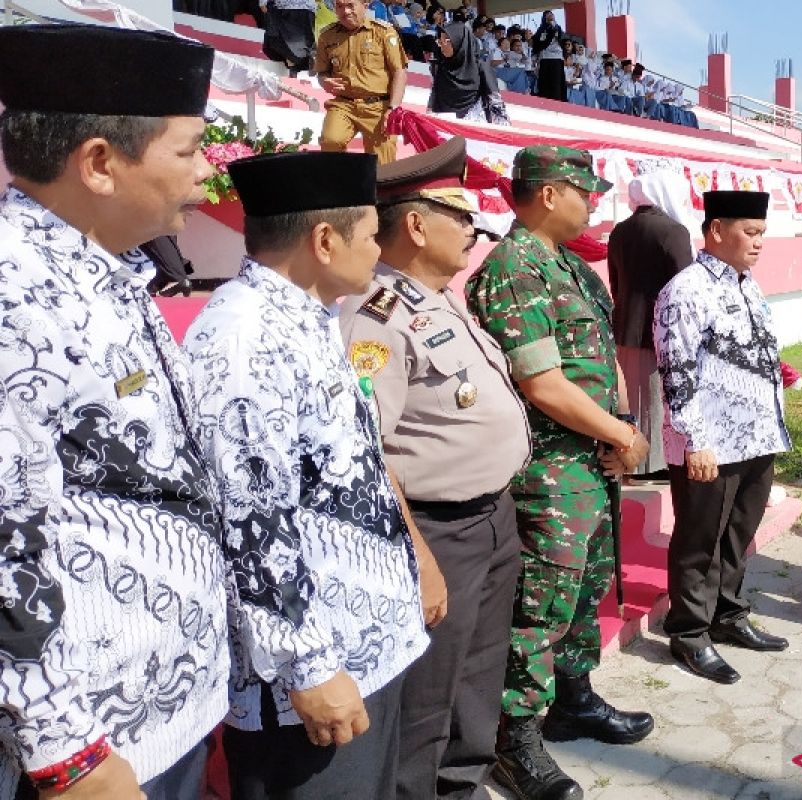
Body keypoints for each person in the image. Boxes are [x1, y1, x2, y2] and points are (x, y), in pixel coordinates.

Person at [0, 25, 230, 799]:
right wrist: (67, 755)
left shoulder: (109, 267)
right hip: (81, 751)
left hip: (151, 711)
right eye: (190, 150)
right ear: (100, 163)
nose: (207, 172)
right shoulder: (15, 293)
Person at [184, 152, 431, 797]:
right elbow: (250, 522)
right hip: (311, 683)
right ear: (325, 240)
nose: (380, 251)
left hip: (365, 644)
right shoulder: (245, 339)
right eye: (373, 234)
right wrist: (312, 667)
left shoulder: (306, 318)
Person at [338, 138, 530, 799]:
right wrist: (416, 553)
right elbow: (368, 449)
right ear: (418, 224)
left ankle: (462, 786)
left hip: (491, 519)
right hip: (436, 530)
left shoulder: (440, 297)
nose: (475, 234)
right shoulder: (374, 320)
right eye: (464, 220)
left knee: (478, 675)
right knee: (428, 694)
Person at [466, 146, 654, 800]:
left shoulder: (571, 268)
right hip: (549, 469)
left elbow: (600, 364)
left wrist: (621, 431)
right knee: (541, 605)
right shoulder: (516, 269)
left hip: (590, 461)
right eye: (585, 191)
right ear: (549, 194)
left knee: (584, 591)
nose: (593, 202)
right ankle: (513, 740)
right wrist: (623, 435)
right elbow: (542, 384)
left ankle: (574, 699)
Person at [653, 191, 792, 685]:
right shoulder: (686, 290)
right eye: (750, 232)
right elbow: (677, 370)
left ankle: (727, 615)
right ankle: (689, 633)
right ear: (715, 231)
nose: (759, 243)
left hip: (756, 435)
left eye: (761, 233)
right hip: (710, 443)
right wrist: (695, 440)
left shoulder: (746, 285)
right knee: (699, 539)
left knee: (738, 533)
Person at [608, 171, 696, 478]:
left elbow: (615, 284)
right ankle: (656, 463)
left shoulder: (619, 230)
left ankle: (635, 459)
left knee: (632, 396)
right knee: (659, 401)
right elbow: (687, 285)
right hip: (663, 328)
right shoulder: (674, 231)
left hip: (625, 325)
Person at [315, 0, 408, 163]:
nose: (345, 11)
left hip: (378, 107)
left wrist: (393, 108)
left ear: (365, 5)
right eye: (340, 6)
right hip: (344, 105)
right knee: (330, 141)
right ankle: (340, 185)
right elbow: (322, 73)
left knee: (382, 164)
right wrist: (325, 82)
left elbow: (399, 72)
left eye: (350, 5)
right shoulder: (327, 36)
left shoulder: (384, 32)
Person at [429, 21, 510, 124]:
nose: (441, 45)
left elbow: (496, 105)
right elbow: (434, 100)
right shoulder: (441, 68)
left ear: (459, 41)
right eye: (440, 41)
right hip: (443, 127)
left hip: (474, 129)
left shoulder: (481, 68)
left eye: (446, 40)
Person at [261, 0, 318, 75]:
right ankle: (294, 64)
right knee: (300, 44)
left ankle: (297, 62)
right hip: (308, 10)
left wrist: (262, 3)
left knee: (273, 40)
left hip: (284, 8)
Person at [530, 10, 566, 101]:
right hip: (545, 58)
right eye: (548, 15)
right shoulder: (541, 29)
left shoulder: (558, 27)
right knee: (545, 82)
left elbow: (562, 40)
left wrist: (553, 27)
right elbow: (537, 43)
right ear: (544, 18)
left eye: (552, 14)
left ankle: (558, 101)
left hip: (557, 58)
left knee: (556, 83)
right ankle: (545, 101)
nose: (550, 16)